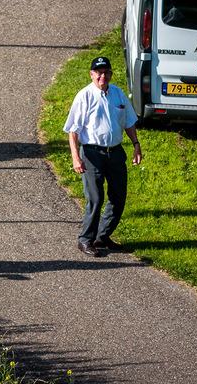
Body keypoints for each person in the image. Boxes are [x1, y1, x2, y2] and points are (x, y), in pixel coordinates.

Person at [63, 56, 142, 257]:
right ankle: (85, 240)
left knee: (118, 197)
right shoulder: (84, 96)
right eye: (98, 72)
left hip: (115, 153)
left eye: (106, 72)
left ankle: (102, 236)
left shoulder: (118, 94)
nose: (102, 76)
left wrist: (136, 145)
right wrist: (75, 157)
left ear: (111, 74)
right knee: (96, 198)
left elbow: (129, 121)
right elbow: (73, 130)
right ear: (91, 75)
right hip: (91, 154)